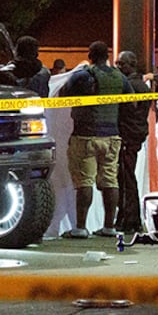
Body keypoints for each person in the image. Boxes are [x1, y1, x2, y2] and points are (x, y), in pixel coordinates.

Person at [59, 41, 134, 239]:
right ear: (107, 56)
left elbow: (62, 95)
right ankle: (109, 226)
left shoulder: (84, 75)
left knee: (85, 181)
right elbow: (131, 102)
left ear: (90, 56)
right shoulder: (120, 77)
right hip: (111, 136)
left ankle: (81, 227)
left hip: (86, 136)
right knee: (110, 181)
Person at [114, 50, 151, 234]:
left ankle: (130, 219)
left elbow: (128, 114)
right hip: (136, 136)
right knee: (127, 176)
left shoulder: (130, 86)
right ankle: (128, 218)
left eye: (121, 64)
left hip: (128, 137)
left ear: (130, 65)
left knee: (126, 177)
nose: (118, 67)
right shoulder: (141, 85)